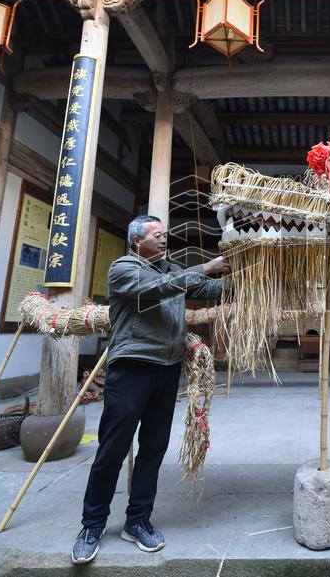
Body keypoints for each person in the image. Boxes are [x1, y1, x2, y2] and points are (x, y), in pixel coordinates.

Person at [71, 215, 230, 564]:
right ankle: (92, 524)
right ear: (136, 241)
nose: (163, 239)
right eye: (156, 235)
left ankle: (137, 520)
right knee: (113, 448)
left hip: (167, 369)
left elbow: (208, 290)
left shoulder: (170, 269)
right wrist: (206, 266)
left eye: (165, 235)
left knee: (153, 449)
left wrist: (244, 274)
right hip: (132, 367)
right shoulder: (124, 268)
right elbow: (157, 289)